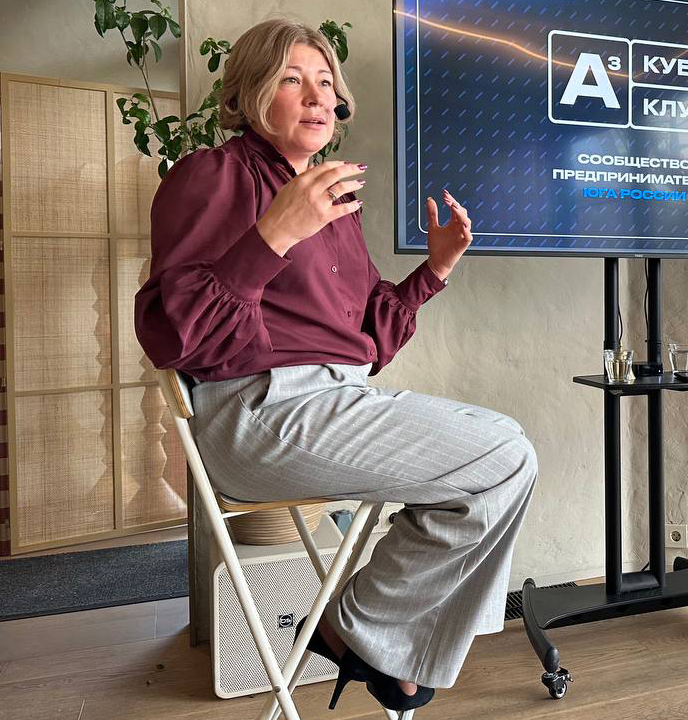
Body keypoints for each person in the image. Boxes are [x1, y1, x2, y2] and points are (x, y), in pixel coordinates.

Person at [134, 19, 539, 715]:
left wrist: (435, 270)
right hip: (257, 411)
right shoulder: (210, 175)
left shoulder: (332, 197)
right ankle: (358, 629)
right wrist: (273, 234)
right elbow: (173, 333)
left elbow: (366, 340)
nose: (318, 96)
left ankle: (371, 639)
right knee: (505, 455)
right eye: (293, 80)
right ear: (252, 93)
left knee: (504, 462)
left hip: (336, 399)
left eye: (325, 82)